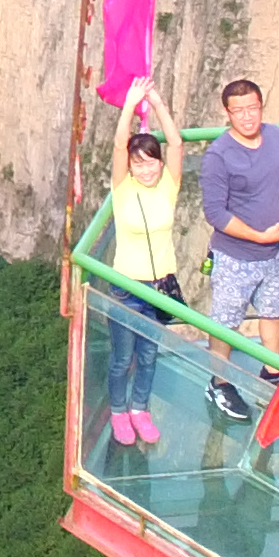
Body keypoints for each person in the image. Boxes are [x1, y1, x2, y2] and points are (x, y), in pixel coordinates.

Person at [198, 78, 279, 423]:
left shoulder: (276, 137)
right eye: (239, 111)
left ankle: (274, 373)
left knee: (274, 311)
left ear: (261, 107)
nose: (247, 117)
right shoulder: (218, 156)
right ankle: (220, 382)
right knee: (225, 323)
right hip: (233, 257)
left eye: (252, 108)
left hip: (272, 254)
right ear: (227, 114)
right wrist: (259, 236)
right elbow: (216, 213)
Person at [99, 77, 188, 448]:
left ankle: (140, 410)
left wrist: (158, 104)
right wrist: (129, 106)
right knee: (123, 358)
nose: (147, 169)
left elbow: (178, 143)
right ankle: (118, 412)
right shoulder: (123, 190)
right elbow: (120, 146)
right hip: (126, 287)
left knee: (149, 355)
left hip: (159, 288)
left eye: (152, 162)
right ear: (131, 168)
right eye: (140, 164)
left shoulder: (168, 186)